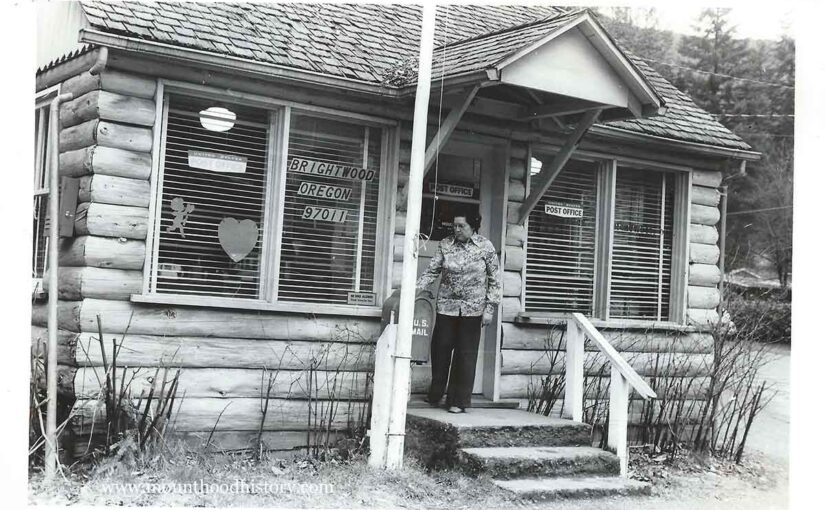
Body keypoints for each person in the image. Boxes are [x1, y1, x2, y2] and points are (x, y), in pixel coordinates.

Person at [416, 213, 502, 413]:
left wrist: (489, 309)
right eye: (454, 226)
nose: (456, 230)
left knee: (465, 355)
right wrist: (416, 289)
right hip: (447, 307)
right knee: (440, 350)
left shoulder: (485, 246)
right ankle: (436, 393)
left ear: (473, 226)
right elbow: (432, 270)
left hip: (473, 309)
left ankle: (457, 401)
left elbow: (495, 280)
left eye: (461, 226)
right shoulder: (446, 244)